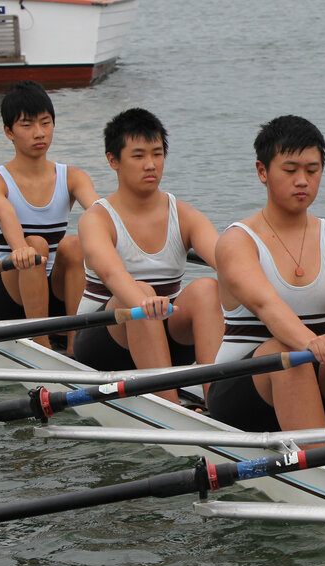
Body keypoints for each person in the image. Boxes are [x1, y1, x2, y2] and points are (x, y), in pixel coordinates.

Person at [206, 115, 325, 478]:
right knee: (289, 355)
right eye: (290, 170)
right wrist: (311, 343)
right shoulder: (237, 241)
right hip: (241, 392)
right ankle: (323, 480)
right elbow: (266, 306)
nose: (302, 181)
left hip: (311, 379)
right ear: (262, 171)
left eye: (312, 169)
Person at [72, 108, 223, 404]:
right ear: (113, 160)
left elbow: (228, 262)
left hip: (167, 336)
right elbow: (112, 274)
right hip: (102, 342)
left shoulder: (186, 215)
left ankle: (216, 402)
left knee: (208, 288)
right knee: (138, 294)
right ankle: (171, 409)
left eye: (157, 154)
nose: (150, 165)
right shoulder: (96, 219)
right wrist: (143, 301)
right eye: (139, 156)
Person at [0, 80, 98, 354]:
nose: (39, 133)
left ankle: (74, 344)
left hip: (53, 293)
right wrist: (19, 248)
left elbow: (99, 211)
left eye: (45, 123)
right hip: (8, 296)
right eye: (27, 125)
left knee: (75, 244)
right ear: (9, 131)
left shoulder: (73, 176)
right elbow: (4, 212)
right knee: (36, 247)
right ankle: (41, 344)